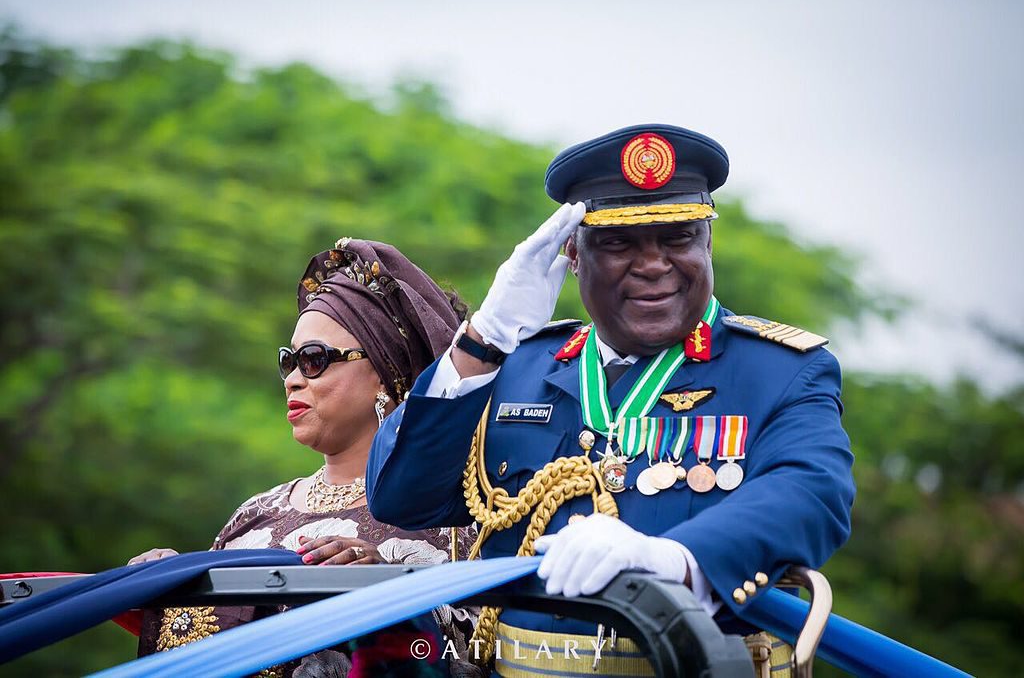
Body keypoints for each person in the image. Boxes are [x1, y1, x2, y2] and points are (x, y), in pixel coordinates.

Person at [367, 124, 856, 677]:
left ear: (708, 242)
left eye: (678, 237)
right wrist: (485, 337)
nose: (652, 265)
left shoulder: (780, 371)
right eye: (619, 242)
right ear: (572, 253)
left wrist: (674, 559)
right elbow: (399, 497)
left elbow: (812, 492)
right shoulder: (515, 365)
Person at [129, 238, 480, 677]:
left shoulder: (454, 520)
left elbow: (480, 656)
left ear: (386, 374)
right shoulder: (254, 513)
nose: (293, 379)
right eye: (288, 362)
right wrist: (175, 582)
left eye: (313, 360)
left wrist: (388, 593)